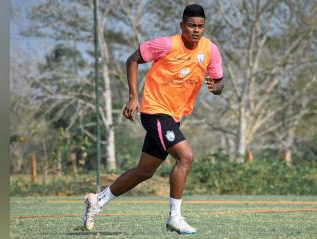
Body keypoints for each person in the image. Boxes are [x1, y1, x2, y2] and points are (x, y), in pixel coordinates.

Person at [83, 4, 224, 235]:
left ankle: (97, 201)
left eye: (200, 26)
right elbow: (132, 59)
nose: (196, 30)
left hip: (173, 117)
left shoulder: (211, 50)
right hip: (155, 112)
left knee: (144, 171)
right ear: (182, 26)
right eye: (191, 26)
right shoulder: (166, 44)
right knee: (185, 156)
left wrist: (216, 87)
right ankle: (175, 217)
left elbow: (219, 82)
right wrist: (133, 98)